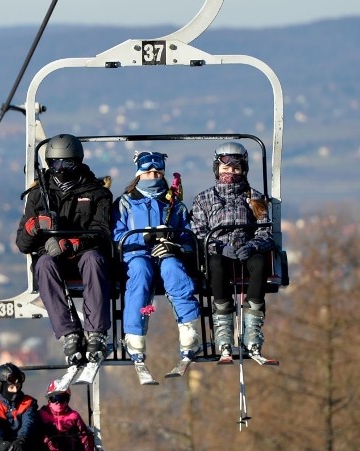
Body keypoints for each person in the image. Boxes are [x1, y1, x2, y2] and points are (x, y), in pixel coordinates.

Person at [15, 133, 113, 365]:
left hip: (84, 253)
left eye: (66, 162)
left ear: (77, 162)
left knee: (94, 259)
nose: (60, 168)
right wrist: (34, 229)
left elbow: (103, 232)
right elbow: (22, 244)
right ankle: (69, 332)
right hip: (53, 256)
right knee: (44, 264)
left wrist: (74, 243)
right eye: (54, 163)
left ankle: (96, 330)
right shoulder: (38, 195)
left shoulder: (96, 193)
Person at [112, 151, 202, 365]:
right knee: (140, 274)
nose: (153, 176)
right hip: (137, 255)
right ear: (139, 174)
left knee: (173, 269)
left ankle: (188, 329)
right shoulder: (125, 203)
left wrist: (175, 245)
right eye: (148, 172)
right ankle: (134, 335)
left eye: (157, 172)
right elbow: (117, 236)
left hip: (166, 254)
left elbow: (188, 235)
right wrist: (142, 237)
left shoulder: (174, 204)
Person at [190, 141, 275, 357]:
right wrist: (218, 247)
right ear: (217, 169)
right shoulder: (204, 199)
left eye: (236, 169)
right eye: (226, 169)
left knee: (259, 263)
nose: (231, 173)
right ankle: (223, 331)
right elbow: (199, 233)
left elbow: (265, 232)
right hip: (220, 253)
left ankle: (252, 329)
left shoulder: (255, 198)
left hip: (246, 250)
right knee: (216, 266)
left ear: (243, 170)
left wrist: (252, 245)